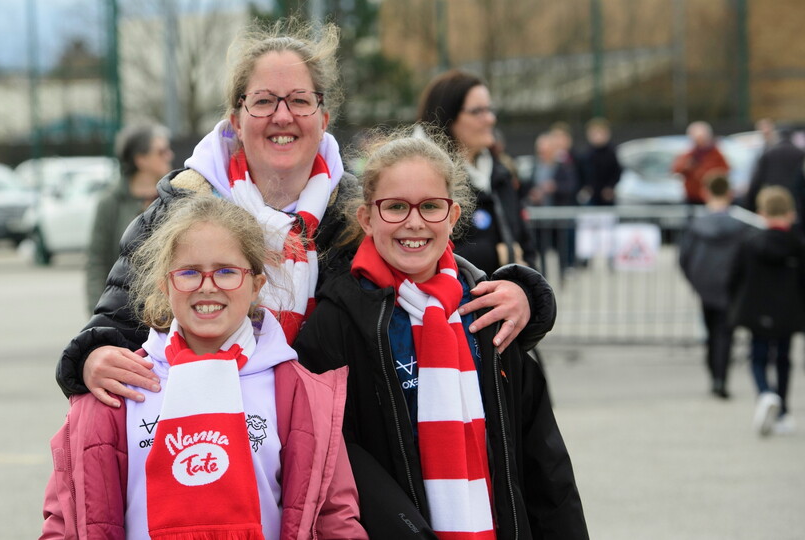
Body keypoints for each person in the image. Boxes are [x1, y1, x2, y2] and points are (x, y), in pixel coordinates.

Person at [57, 20, 554, 410]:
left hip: (345, 454)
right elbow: (110, 328)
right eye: (264, 101)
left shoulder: (359, 213)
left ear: (323, 118)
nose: (283, 116)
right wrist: (94, 358)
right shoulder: (178, 211)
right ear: (235, 119)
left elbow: (447, 279)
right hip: (215, 452)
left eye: (299, 100)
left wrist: (523, 293)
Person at [294, 130, 588, 539]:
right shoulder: (336, 324)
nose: (414, 222)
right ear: (367, 218)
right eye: (395, 207)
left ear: (452, 216)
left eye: (430, 207)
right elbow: (335, 464)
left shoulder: (489, 310)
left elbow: (544, 462)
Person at [40, 195, 367, 539]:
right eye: (189, 272)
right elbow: (65, 519)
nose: (208, 286)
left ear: (257, 284)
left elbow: (334, 519)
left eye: (227, 272)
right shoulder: (118, 389)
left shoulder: (300, 395)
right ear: (164, 284)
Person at [417, 69, 537, 275]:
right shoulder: (421, 177)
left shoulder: (500, 174)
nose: (490, 119)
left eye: (490, 110)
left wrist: (527, 289)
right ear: (448, 117)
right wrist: (494, 255)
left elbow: (526, 245)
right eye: (477, 111)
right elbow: (420, 253)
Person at [729, 185, 805, 436]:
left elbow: (734, 276)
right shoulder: (797, 245)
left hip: (757, 309)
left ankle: (765, 393)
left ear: (762, 213)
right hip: (789, 311)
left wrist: (734, 303)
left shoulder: (750, 242)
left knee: (759, 357)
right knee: (783, 359)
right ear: (790, 213)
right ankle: (782, 411)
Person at [678, 174, 757, 399]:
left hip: (706, 285)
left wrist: (696, 281)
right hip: (731, 286)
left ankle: (715, 374)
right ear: (729, 194)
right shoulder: (741, 227)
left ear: (705, 193)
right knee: (724, 332)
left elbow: (685, 257)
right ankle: (720, 377)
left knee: (711, 331)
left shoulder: (697, 225)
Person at [86, 124, 174, 310]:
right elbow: (96, 263)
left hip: (170, 313)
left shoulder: (176, 195)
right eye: (161, 151)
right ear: (140, 159)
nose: (170, 155)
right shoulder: (110, 203)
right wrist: (98, 313)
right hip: (123, 313)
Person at [743, 125, 805, 218]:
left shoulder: (769, 153)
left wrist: (748, 206)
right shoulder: (800, 153)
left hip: (772, 200)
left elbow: (756, 181)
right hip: (794, 203)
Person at [672, 121, 730, 205]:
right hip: (692, 197)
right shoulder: (689, 154)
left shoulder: (715, 154)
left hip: (710, 197)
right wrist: (688, 167)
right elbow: (677, 169)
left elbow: (725, 171)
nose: (700, 142)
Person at [577, 117, 623, 206]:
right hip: (590, 198)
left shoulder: (613, 153)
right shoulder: (585, 154)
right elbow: (580, 174)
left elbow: (618, 173)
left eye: (600, 132)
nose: (597, 136)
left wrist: (611, 187)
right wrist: (585, 188)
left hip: (608, 198)